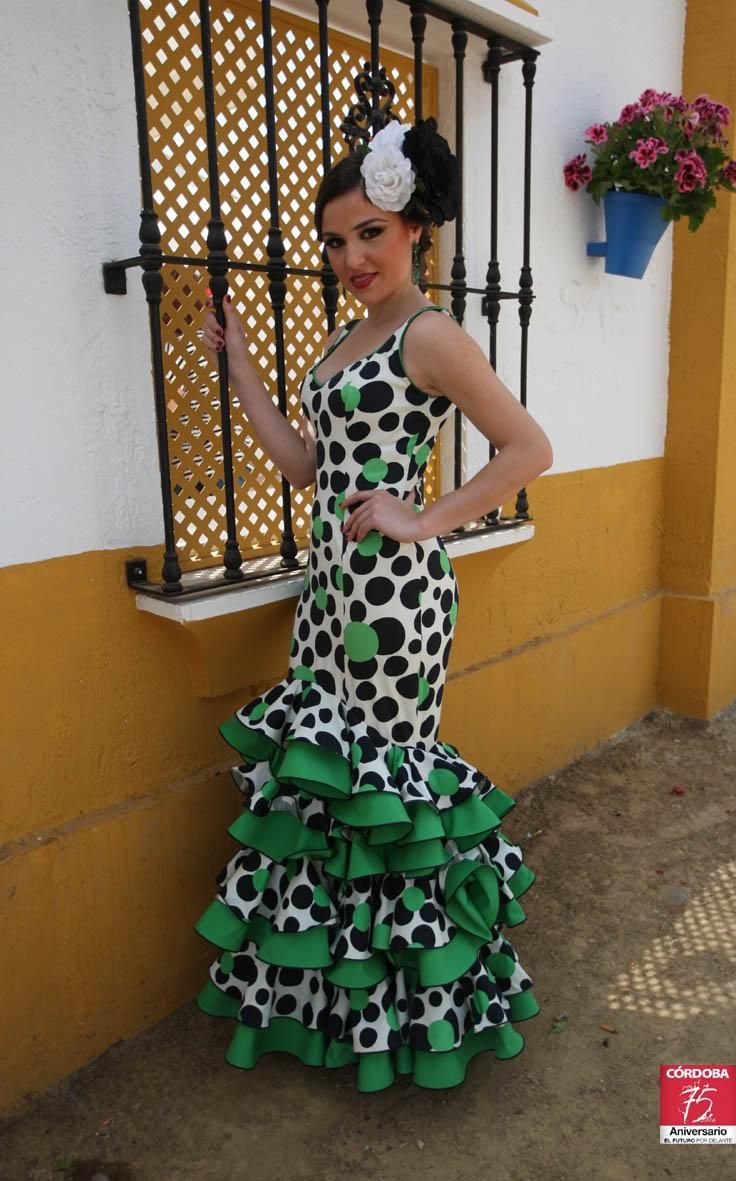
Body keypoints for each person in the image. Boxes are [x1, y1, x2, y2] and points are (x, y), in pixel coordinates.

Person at [194, 116, 553, 1092]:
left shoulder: (432, 332)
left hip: (394, 603)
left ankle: (420, 1017)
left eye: (370, 234)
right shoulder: (353, 334)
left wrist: (422, 516)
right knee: (333, 791)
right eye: (336, 239)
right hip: (329, 595)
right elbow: (310, 463)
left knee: (386, 796)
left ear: (415, 230)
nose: (350, 256)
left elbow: (527, 448)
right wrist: (242, 374)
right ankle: (345, 1008)